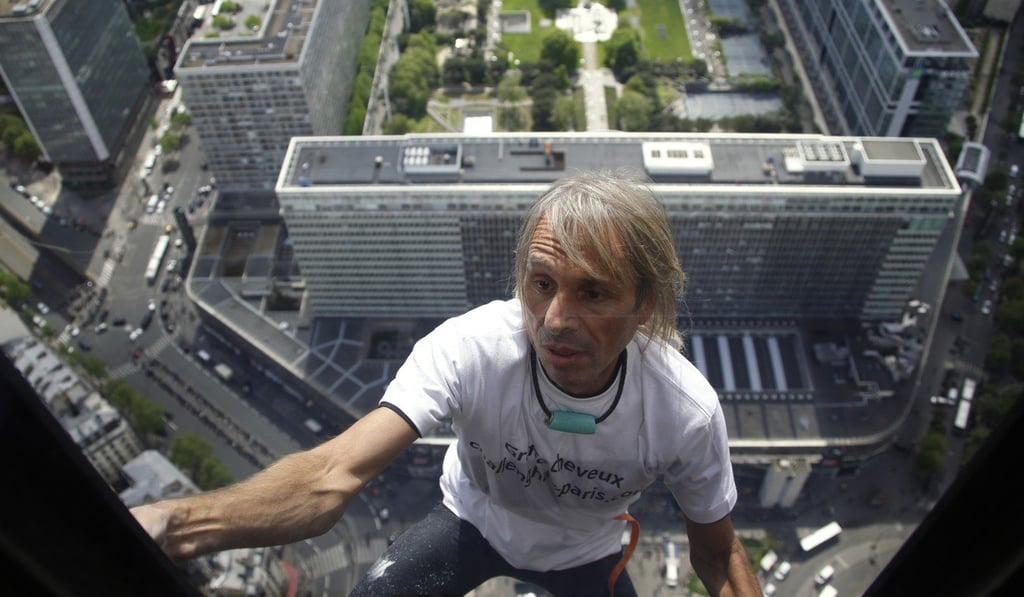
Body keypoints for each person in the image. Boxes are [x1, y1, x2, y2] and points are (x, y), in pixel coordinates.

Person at [132, 171, 761, 596]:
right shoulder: (472, 349)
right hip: (473, 518)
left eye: (593, 293)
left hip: (586, 552)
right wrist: (174, 523)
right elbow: (331, 477)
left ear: (644, 304)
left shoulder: (684, 410)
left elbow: (716, 554)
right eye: (541, 283)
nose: (555, 321)